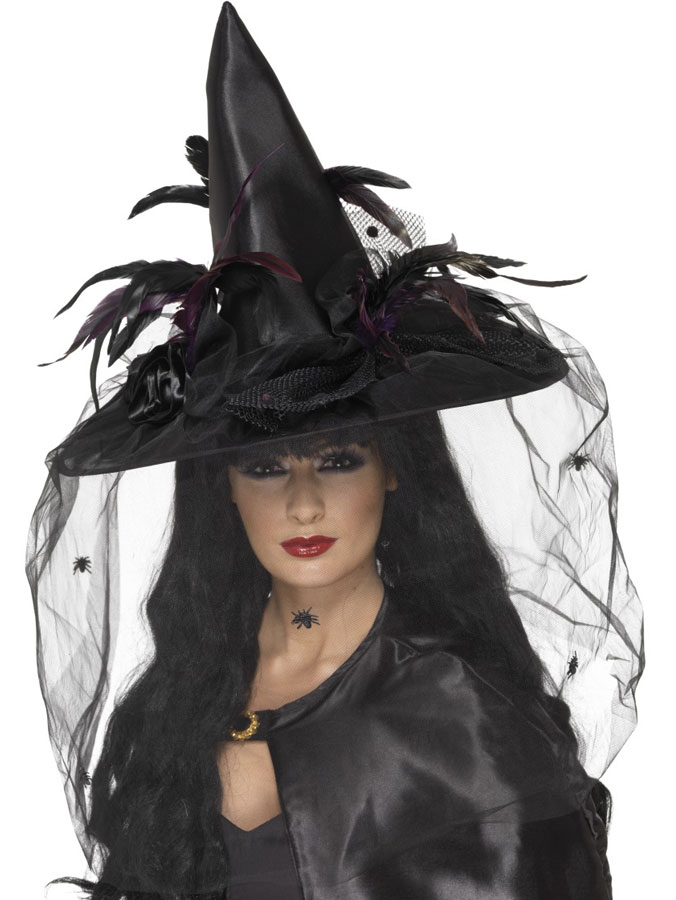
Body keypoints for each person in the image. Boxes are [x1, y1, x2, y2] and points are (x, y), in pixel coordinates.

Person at [25, 3, 643, 898]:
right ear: (222, 486)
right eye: (266, 467)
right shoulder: (177, 705)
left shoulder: (469, 725)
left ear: (394, 470)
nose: (304, 502)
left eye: (339, 458)